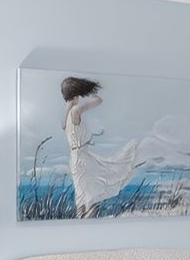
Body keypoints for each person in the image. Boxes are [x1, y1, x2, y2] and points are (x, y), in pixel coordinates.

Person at [60, 76, 142, 219]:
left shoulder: (66, 116)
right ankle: (89, 227)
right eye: (78, 94)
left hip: (75, 159)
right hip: (83, 159)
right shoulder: (75, 111)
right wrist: (90, 91)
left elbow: (62, 124)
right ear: (75, 95)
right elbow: (99, 101)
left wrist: (70, 101)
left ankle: (80, 228)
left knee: (81, 197)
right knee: (92, 196)